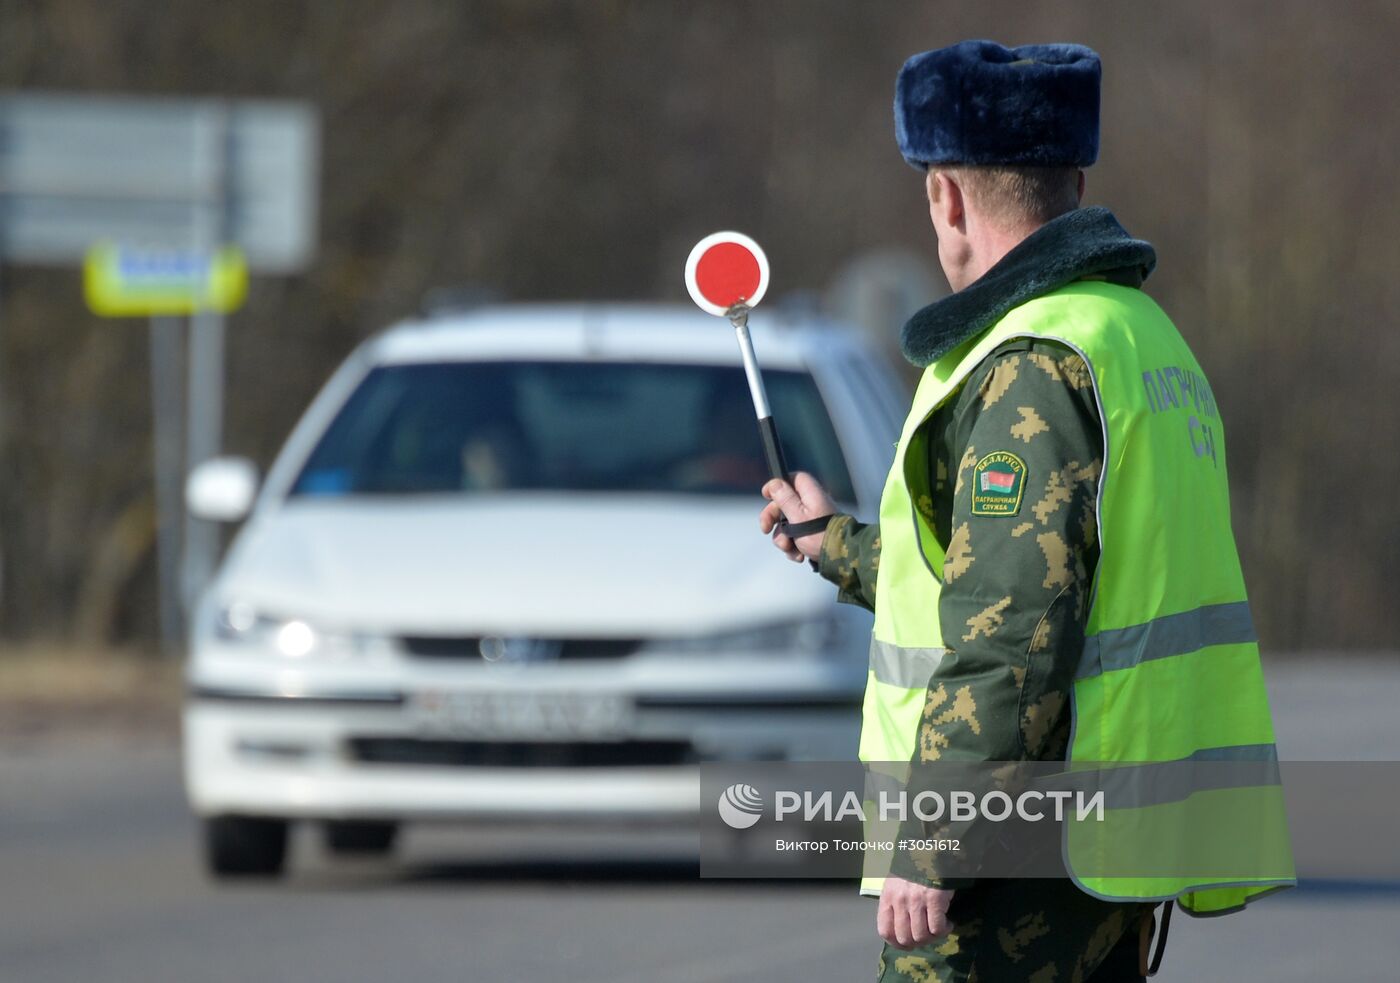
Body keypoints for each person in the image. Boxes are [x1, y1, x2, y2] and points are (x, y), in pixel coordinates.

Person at [758, 40, 1293, 981]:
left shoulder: (1029, 366)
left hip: (1016, 862)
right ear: (1073, 178)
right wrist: (835, 543)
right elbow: (1010, 578)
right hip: (1103, 843)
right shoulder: (1135, 334)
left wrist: (934, 836)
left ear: (947, 196)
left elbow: (1010, 632)